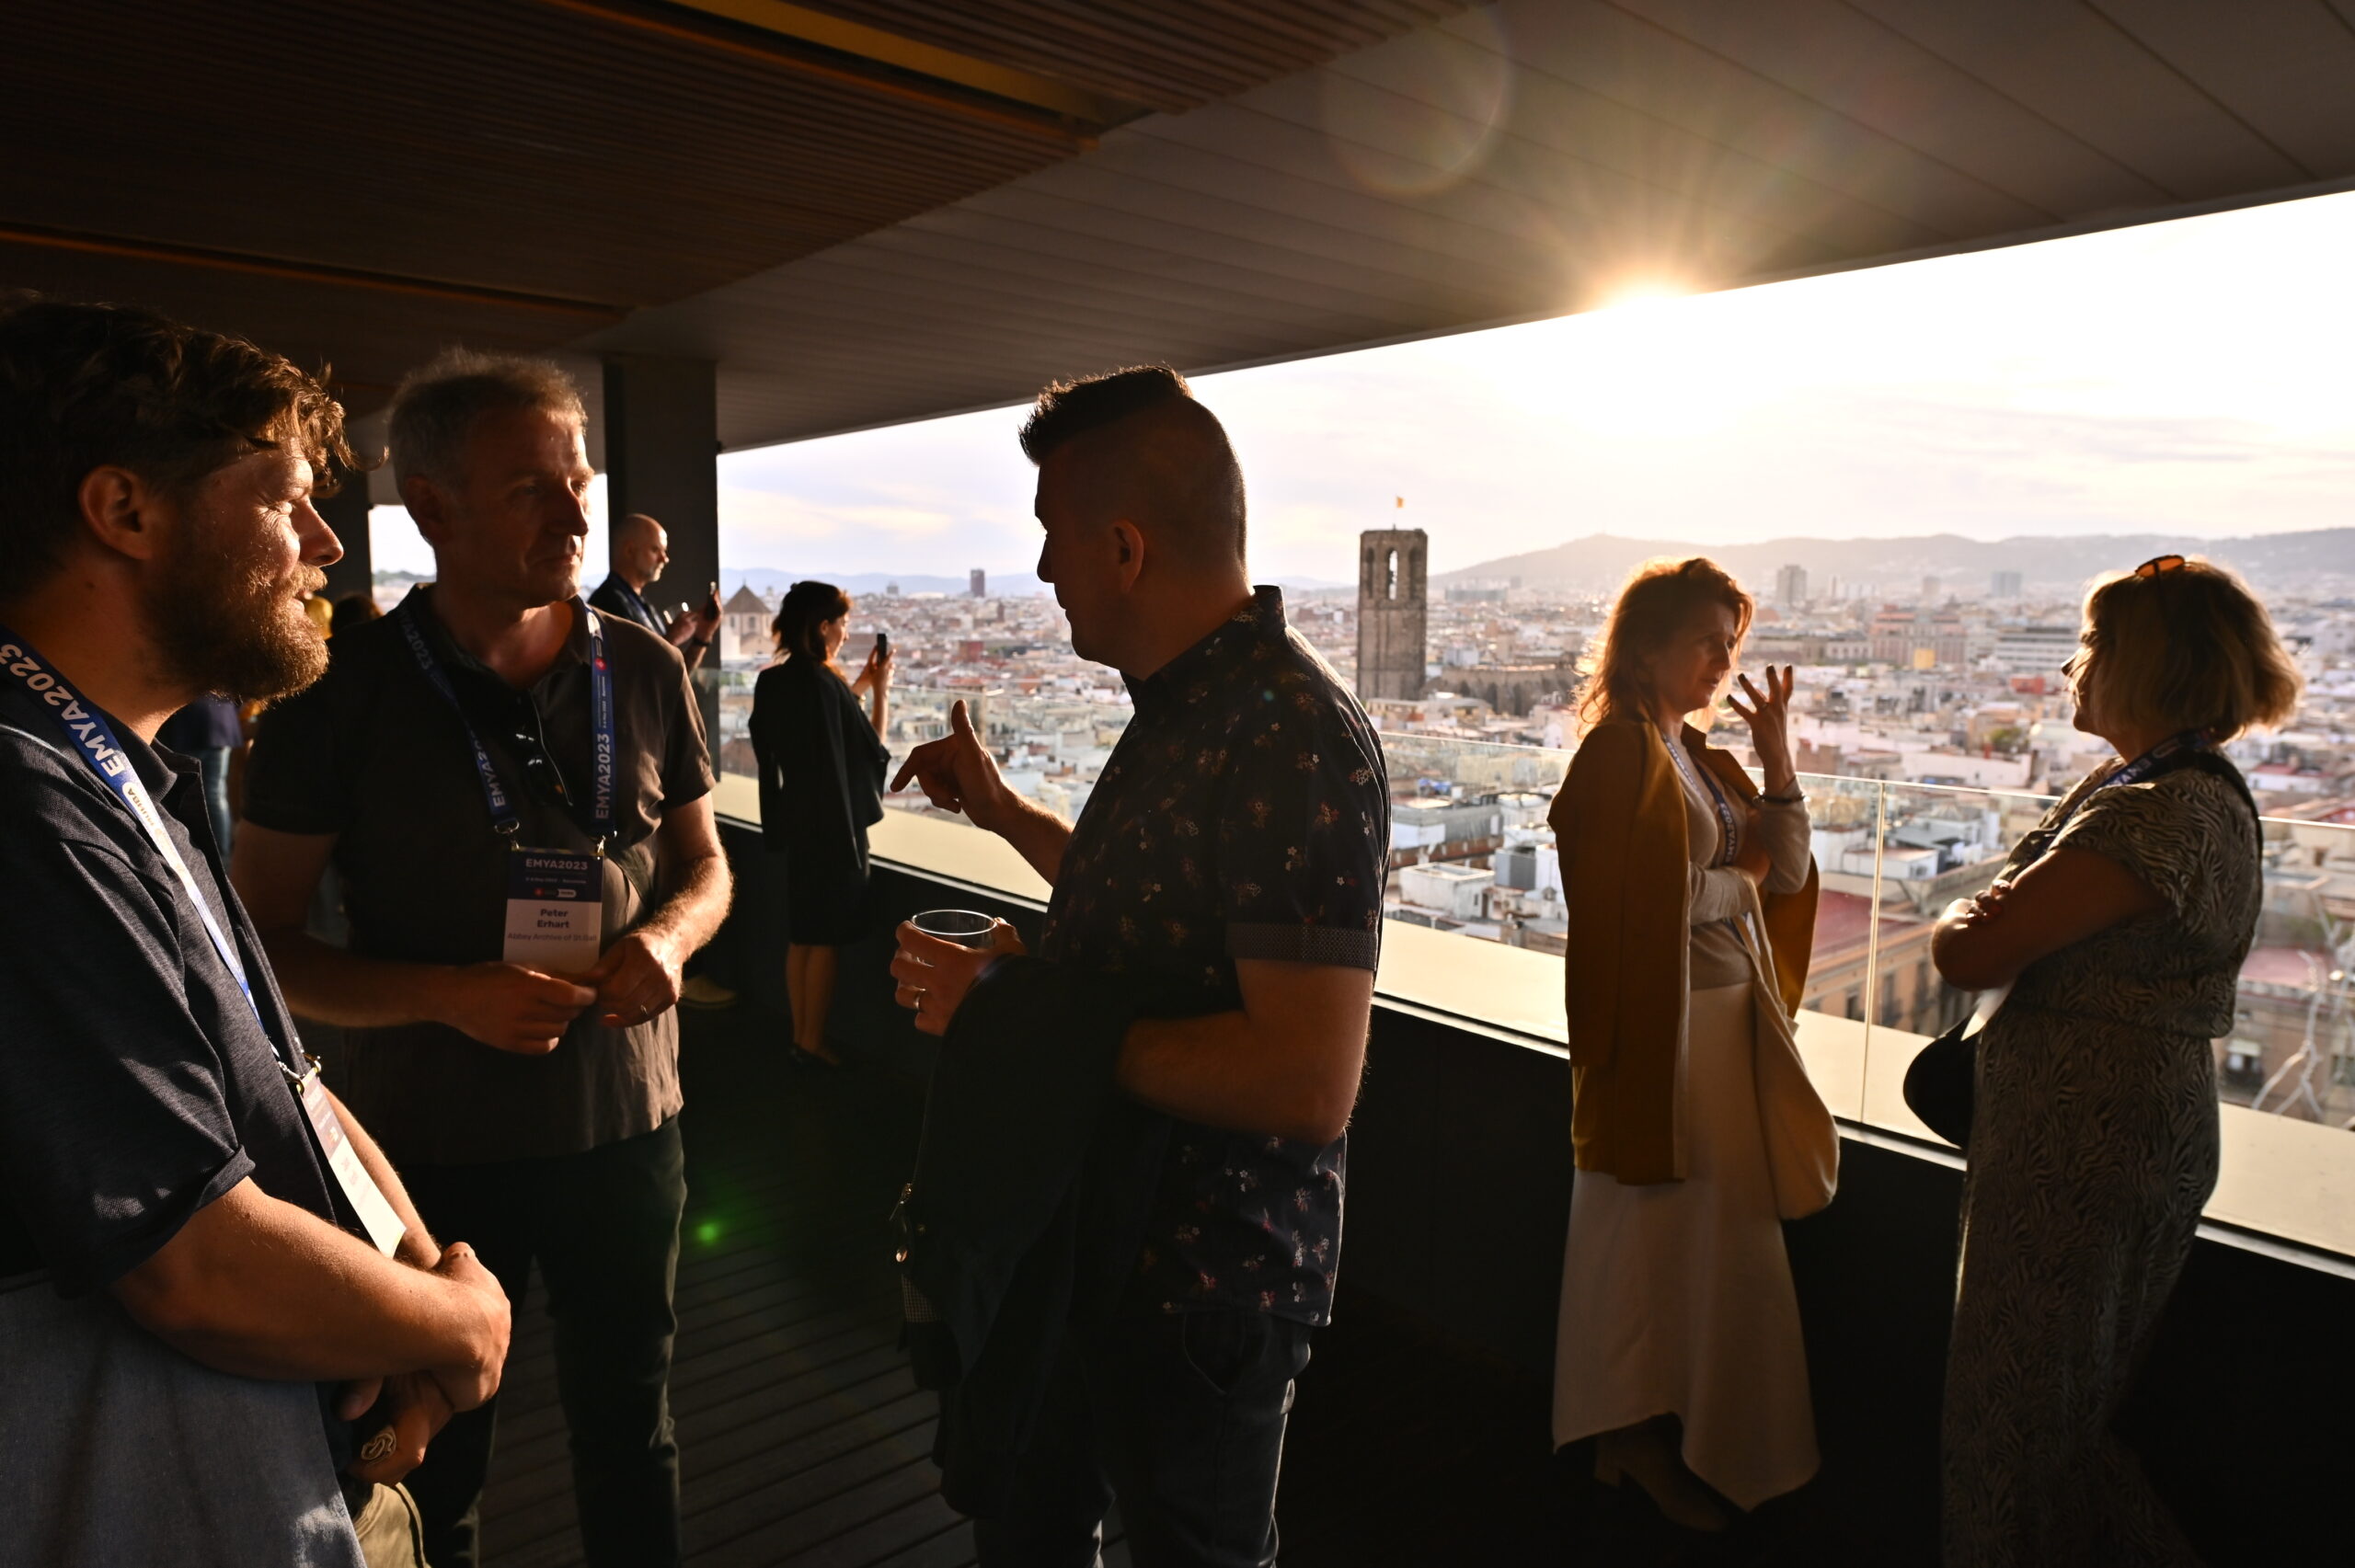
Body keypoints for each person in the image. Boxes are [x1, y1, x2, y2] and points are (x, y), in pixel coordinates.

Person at [0, 297, 511, 1567]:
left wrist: (410, 1282)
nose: (328, 543)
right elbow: (189, 1259)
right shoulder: (26, 808)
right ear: (124, 511)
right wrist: (457, 1328)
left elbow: (289, 1081)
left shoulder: (124, 770)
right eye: (286, 499)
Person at [233, 349, 733, 1568]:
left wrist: (666, 939)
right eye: (533, 488)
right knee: (435, 1448)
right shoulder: (335, 694)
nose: (576, 516)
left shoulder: (646, 667)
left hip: (629, 1125)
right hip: (431, 1151)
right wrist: (449, 997)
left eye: (578, 481)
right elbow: (266, 947)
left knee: (634, 1428)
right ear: (433, 507)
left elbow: (707, 869)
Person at [889, 365, 1390, 1567]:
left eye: (1054, 540)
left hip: (1202, 1288)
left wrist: (1011, 1010)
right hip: (1110, 1242)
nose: (1044, 571)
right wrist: (1007, 813)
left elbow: (1304, 1083)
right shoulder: (1193, 709)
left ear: (1121, 546)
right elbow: (1149, 911)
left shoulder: (1290, 734)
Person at [1932, 555, 2298, 1568]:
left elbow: (1967, 951)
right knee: (2057, 1406)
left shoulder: (2149, 811)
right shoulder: (2159, 785)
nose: (2071, 665)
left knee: (2015, 1414)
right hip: (2108, 1132)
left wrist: (1969, 914)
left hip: (2083, 1147)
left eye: (2093, 645)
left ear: (2147, 663)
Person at [1545, 557, 1821, 1531]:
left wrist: (1777, 756)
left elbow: (1779, 869)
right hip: (1665, 1041)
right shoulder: (1617, 755)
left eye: (1730, 642)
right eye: (1707, 639)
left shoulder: (1697, 756)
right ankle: (1634, 1433)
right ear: (1646, 646)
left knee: (1710, 1249)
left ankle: (1691, 1436)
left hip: (1715, 1034)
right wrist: (1735, 880)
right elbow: (1636, 899)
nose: (1721, 659)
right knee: (1659, 1245)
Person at [747, 580, 891, 1066]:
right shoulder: (825, 686)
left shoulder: (773, 681)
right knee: (825, 939)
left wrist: (858, 687)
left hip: (796, 819)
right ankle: (813, 1042)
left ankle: (798, 1036)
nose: (847, 635)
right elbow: (868, 747)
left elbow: (814, 733)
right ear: (823, 626)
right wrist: (881, 693)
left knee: (802, 935)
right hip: (835, 828)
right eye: (843, 624)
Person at [591, 510, 719, 670]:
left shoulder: (639, 603)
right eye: (655, 550)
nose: (664, 559)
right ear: (629, 551)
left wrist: (703, 636)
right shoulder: (607, 604)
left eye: (664, 551)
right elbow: (633, 675)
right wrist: (672, 637)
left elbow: (670, 678)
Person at [159, 691, 243, 851]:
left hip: (188, 726)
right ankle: (221, 854)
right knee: (215, 794)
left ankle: (192, 852)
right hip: (220, 723)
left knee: (182, 795)